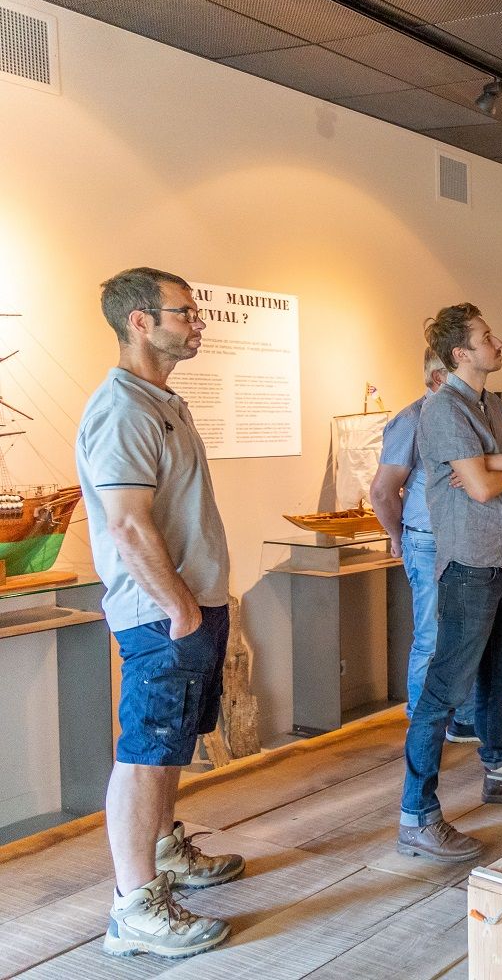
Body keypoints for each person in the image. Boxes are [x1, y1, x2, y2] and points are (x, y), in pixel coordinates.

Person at [77, 268, 243, 958]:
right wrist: (179, 607)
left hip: (189, 606)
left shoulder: (162, 400)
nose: (197, 323)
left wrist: (197, 605)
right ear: (139, 321)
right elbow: (127, 524)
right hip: (160, 613)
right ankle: (134, 908)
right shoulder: (123, 408)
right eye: (185, 313)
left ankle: (165, 851)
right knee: (145, 753)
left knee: (170, 744)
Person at [398, 303, 502, 863]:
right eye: (487, 337)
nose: (499, 342)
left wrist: (500, 462)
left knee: (499, 674)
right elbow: (486, 488)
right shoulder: (444, 409)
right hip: (467, 563)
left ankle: (501, 769)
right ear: (461, 353)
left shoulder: (491, 404)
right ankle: (416, 815)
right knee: (444, 690)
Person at [371, 348, 482, 743]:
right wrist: (398, 536)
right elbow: (382, 491)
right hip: (429, 541)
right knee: (432, 636)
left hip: (465, 539)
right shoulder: (410, 421)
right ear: (439, 378)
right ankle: (424, 727)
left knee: (468, 634)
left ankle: (463, 718)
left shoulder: (470, 415)